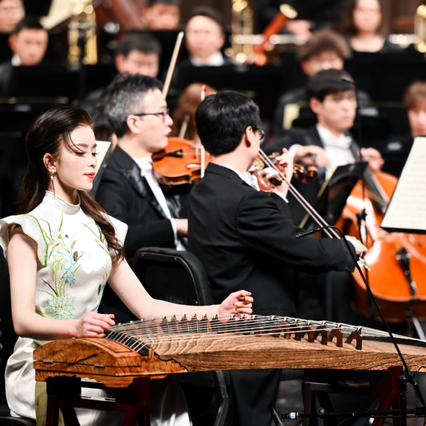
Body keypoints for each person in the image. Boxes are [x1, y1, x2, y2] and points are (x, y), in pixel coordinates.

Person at [0, 105, 253, 425]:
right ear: (50, 162)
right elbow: (22, 321)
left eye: (95, 151)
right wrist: (75, 328)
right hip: (43, 365)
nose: (92, 161)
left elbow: (145, 305)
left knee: (164, 390)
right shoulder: (26, 229)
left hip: (93, 358)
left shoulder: (102, 226)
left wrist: (216, 312)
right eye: (80, 152)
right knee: (133, 395)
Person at [188, 90, 367, 426]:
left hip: (224, 321)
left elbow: (268, 236)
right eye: (259, 133)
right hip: (260, 326)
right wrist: (349, 247)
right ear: (249, 135)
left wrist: (278, 195)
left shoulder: (202, 189)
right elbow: (301, 250)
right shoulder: (247, 201)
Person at [267, 68, 383, 224]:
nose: (347, 106)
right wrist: (296, 152)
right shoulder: (299, 137)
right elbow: (262, 155)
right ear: (316, 105)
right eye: (337, 99)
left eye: (351, 98)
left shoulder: (355, 147)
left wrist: (369, 171)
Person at [273, 29, 370, 138]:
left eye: (331, 60)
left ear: (342, 62)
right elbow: (281, 142)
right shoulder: (289, 101)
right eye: (318, 61)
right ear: (304, 65)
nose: (326, 67)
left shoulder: (359, 97)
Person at [0, 16, 48, 96]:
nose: (33, 51)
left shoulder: (52, 77)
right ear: (13, 42)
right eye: (27, 42)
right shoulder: (1, 75)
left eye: (39, 43)